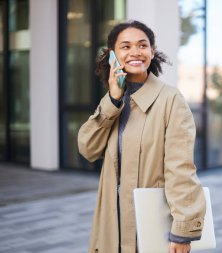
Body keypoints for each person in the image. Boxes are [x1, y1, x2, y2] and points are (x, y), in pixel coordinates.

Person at [78, 20, 206, 253]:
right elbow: (88, 149)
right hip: (110, 227)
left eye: (142, 45)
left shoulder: (170, 100)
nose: (135, 52)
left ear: (152, 52)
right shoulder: (113, 100)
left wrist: (183, 230)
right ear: (112, 55)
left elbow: (181, 168)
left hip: (149, 227)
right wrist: (113, 101)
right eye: (125, 46)